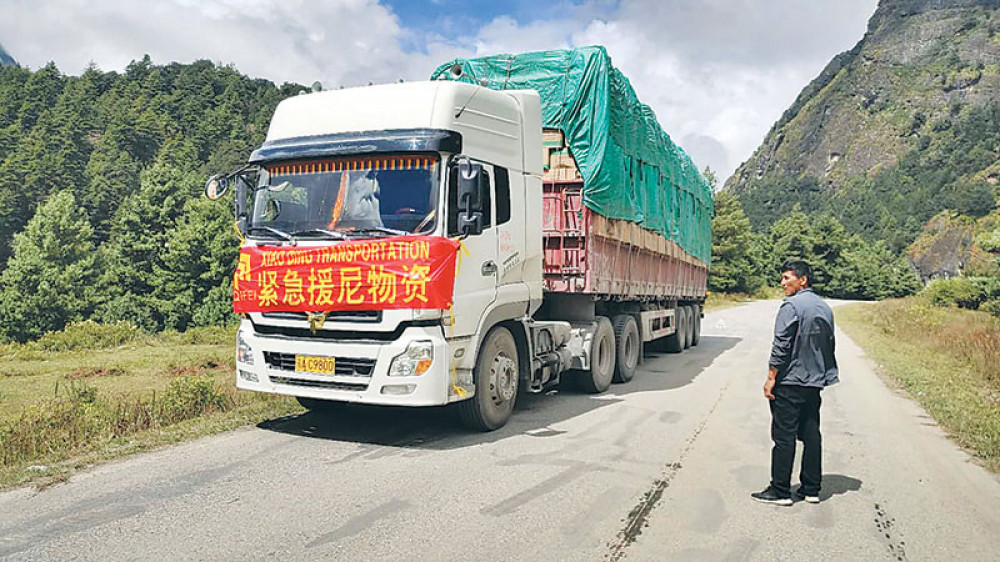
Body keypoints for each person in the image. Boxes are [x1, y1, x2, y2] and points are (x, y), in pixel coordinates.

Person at [751, 260, 838, 506]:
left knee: (784, 435)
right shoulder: (824, 307)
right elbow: (828, 343)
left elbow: (781, 345)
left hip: (790, 381)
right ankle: (811, 489)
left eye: (787, 278)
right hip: (814, 381)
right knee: (811, 433)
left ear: (803, 280)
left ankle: (780, 490)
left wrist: (771, 378)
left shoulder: (791, 306)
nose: (783, 283)